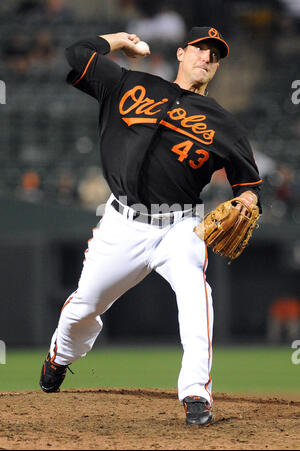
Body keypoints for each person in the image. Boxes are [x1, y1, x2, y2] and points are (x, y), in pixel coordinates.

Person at [39, 26, 262, 426]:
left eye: (215, 54)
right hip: (122, 224)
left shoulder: (226, 126)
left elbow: (248, 186)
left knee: (196, 293)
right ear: (180, 53)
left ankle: (196, 394)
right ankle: (60, 355)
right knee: (84, 307)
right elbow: (76, 53)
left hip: (181, 227)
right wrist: (121, 41)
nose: (207, 58)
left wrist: (246, 200)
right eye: (200, 49)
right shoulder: (128, 83)